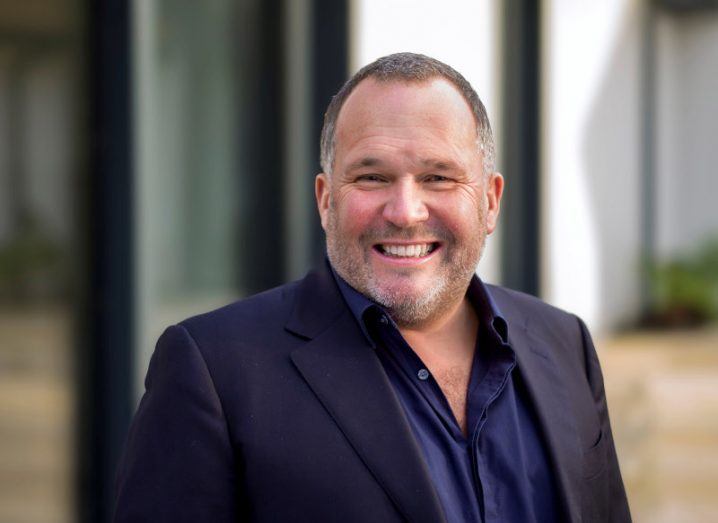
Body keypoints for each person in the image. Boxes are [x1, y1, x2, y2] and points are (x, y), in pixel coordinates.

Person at [114, 53, 631, 523]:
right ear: (325, 200)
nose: (405, 212)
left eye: (438, 178)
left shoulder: (566, 346)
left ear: (491, 201)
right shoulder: (213, 371)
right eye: (372, 178)